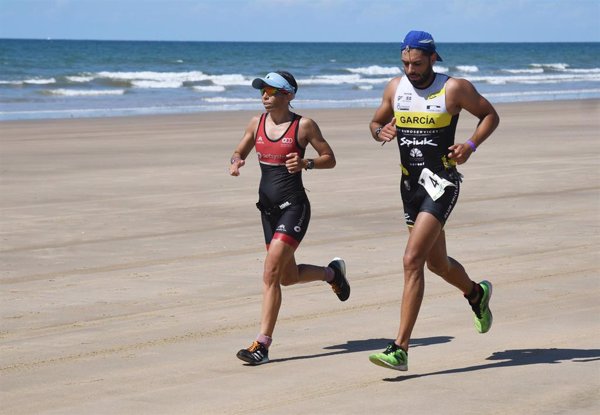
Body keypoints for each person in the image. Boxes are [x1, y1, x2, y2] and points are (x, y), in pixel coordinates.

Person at [367, 31, 500, 371]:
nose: (411, 70)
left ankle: (400, 348)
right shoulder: (395, 88)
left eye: (417, 63)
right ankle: (476, 293)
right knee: (436, 264)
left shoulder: (453, 88)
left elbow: (489, 115)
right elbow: (376, 120)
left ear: (432, 58)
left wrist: (469, 146)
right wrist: (379, 130)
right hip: (410, 186)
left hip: (442, 183)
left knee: (412, 260)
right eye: (405, 63)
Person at [229, 71, 350, 366]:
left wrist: (307, 163)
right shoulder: (255, 122)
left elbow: (330, 158)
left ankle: (262, 345)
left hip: (293, 207)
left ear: (289, 95)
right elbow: (240, 148)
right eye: (262, 91)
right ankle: (332, 274)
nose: (265, 96)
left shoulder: (303, 126)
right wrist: (236, 160)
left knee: (270, 273)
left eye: (271, 91)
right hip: (267, 210)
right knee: (286, 276)